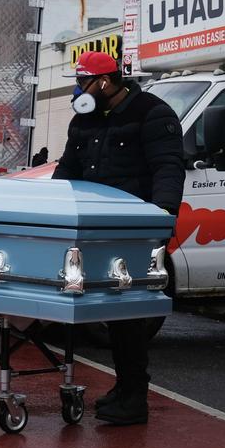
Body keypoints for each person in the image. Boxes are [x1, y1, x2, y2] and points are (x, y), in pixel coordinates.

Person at [52, 51, 184, 426]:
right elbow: (68, 169)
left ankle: (134, 396)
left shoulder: (152, 114)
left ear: (106, 82)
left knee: (129, 314)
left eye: (83, 82)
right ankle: (123, 389)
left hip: (133, 229)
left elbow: (168, 170)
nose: (78, 89)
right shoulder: (85, 119)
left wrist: (161, 221)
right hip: (94, 228)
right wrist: (55, 207)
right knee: (107, 311)